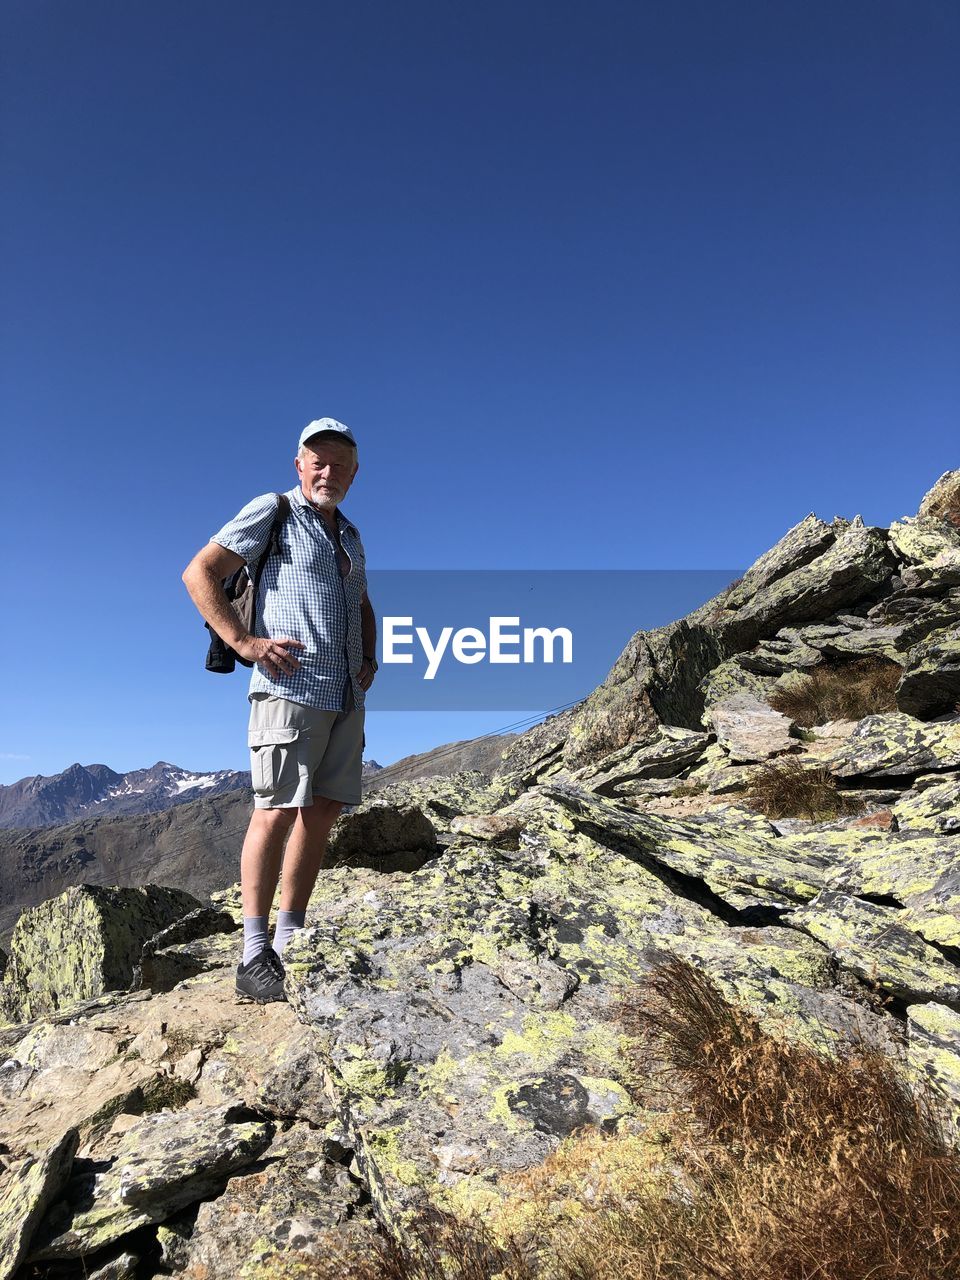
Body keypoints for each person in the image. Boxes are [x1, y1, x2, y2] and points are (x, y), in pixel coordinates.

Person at [182, 417, 377, 1002]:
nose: (328, 472)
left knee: (322, 811)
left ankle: (291, 936)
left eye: (340, 464)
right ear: (299, 465)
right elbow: (200, 572)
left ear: (355, 473)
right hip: (291, 687)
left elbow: (363, 600)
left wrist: (370, 656)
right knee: (276, 811)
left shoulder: (350, 535)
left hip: (345, 694)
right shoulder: (273, 509)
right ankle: (252, 953)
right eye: (318, 461)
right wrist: (245, 642)